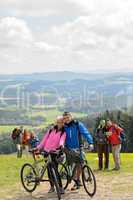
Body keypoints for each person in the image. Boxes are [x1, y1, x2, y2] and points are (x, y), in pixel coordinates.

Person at [63, 112, 94, 190]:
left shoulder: (77, 124)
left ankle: (77, 180)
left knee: (80, 163)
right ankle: (74, 179)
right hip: (68, 149)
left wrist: (90, 143)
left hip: (78, 147)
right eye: (65, 118)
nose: (66, 119)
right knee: (71, 166)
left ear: (71, 117)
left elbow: (85, 133)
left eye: (67, 117)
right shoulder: (64, 127)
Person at [36, 116, 66, 194]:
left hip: (54, 152)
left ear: (63, 123)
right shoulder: (51, 130)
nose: (60, 123)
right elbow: (44, 139)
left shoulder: (63, 132)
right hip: (46, 151)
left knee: (55, 170)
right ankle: (52, 187)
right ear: (56, 122)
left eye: (62, 122)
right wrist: (39, 147)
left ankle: (60, 187)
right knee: (49, 170)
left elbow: (62, 140)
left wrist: (61, 145)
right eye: (58, 122)